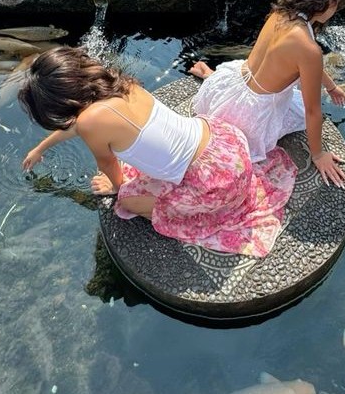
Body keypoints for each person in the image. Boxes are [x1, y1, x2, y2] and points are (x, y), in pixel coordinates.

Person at [19, 47, 297, 258]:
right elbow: (79, 126)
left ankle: (194, 208)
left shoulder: (91, 121)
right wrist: (40, 147)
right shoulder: (117, 83)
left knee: (127, 203)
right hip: (227, 145)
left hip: (217, 183)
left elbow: (107, 164)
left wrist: (119, 189)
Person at [189, 0, 345, 189]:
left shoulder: (282, 12)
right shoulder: (308, 48)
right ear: (331, 2)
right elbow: (313, 111)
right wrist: (318, 154)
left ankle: (210, 77)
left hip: (228, 85)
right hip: (251, 115)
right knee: (302, 114)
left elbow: (303, 64)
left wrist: (331, 86)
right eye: (337, 5)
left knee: (271, 86)